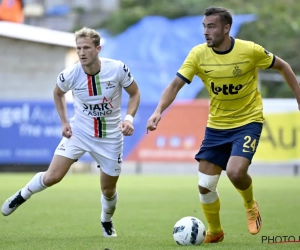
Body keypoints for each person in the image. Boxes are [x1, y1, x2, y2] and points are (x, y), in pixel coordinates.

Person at [146, 6, 300, 243]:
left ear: (226, 28)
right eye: (204, 27)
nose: (206, 32)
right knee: (205, 185)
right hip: (217, 126)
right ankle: (215, 232)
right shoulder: (198, 54)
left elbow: (284, 66)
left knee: (236, 172)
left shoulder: (250, 50)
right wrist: (158, 111)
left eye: (211, 26)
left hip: (248, 121)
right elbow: (175, 85)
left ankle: (250, 204)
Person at [2, 27, 141, 237]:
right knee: (52, 177)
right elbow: (58, 93)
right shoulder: (70, 74)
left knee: (108, 190)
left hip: (110, 138)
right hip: (80, 132)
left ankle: (106, 220)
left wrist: (129, 118)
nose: (82, 53)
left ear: (98, 48)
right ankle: (21, 195)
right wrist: (64, 122)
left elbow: (135, 93)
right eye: (78, 48)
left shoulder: (118, 69)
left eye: (86, 48)